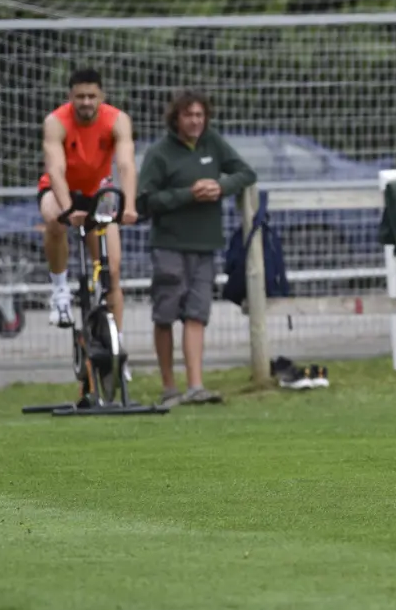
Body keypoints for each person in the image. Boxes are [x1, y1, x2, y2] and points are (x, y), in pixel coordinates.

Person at [138, 89, 257, 407]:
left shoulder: (212, 143)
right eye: (188, 115)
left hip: (205, 245)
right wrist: (188, 194)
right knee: (165, 316)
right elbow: (145, 201)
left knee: (197, 314)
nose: (195, 121)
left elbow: (246, 173)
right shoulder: (159, 153)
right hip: (169, 245)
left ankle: (195, 385)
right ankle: (169, 387)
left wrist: (221, 187)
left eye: (200, 115)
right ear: (176, 118)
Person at [38, 68, 138, 362]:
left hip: (97, 191)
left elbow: (126, 165)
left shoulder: (117, 120)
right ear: (70, 97)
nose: (86, 102)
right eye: (79, 96)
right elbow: (55, 169)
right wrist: (69, 208)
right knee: (54, 218)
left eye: (91, 96)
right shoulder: (56, 122)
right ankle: (59, 293)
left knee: (112, 271)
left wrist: (129, 205)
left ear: (101, 97)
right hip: (61, 189)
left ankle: (116, 348)